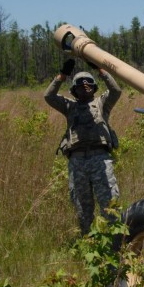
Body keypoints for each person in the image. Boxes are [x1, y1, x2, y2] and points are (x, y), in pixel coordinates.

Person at [45, 58, 122, 234]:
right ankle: (89, 243)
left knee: (110, 204)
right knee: (82, 206)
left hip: (100, 160)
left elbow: (116, 90)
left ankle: (115, 243)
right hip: (77, 162)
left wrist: (100, 70)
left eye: (88, 82)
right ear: (74, 89)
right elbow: (48, 96)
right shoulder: (69, 107)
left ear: (94, 87)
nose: (85, 85)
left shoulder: (101, 104)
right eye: (80, 83)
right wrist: (62, 75)